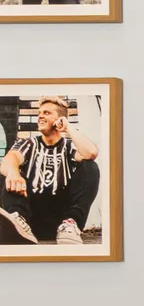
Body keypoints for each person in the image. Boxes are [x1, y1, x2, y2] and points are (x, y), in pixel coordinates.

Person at [0, 97, 100, 246]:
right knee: (8, 171)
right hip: (29, 219)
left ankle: (71, 224)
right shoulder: (28, 144)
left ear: (60, 119)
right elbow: (10, 159)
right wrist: (14, 173)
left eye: (46, 113)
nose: (40, 116)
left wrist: (68, 128)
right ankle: (17, 223)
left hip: (60, 221)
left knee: (90, 166)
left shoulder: (69, 147)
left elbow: (91, 153)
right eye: (39, 113)